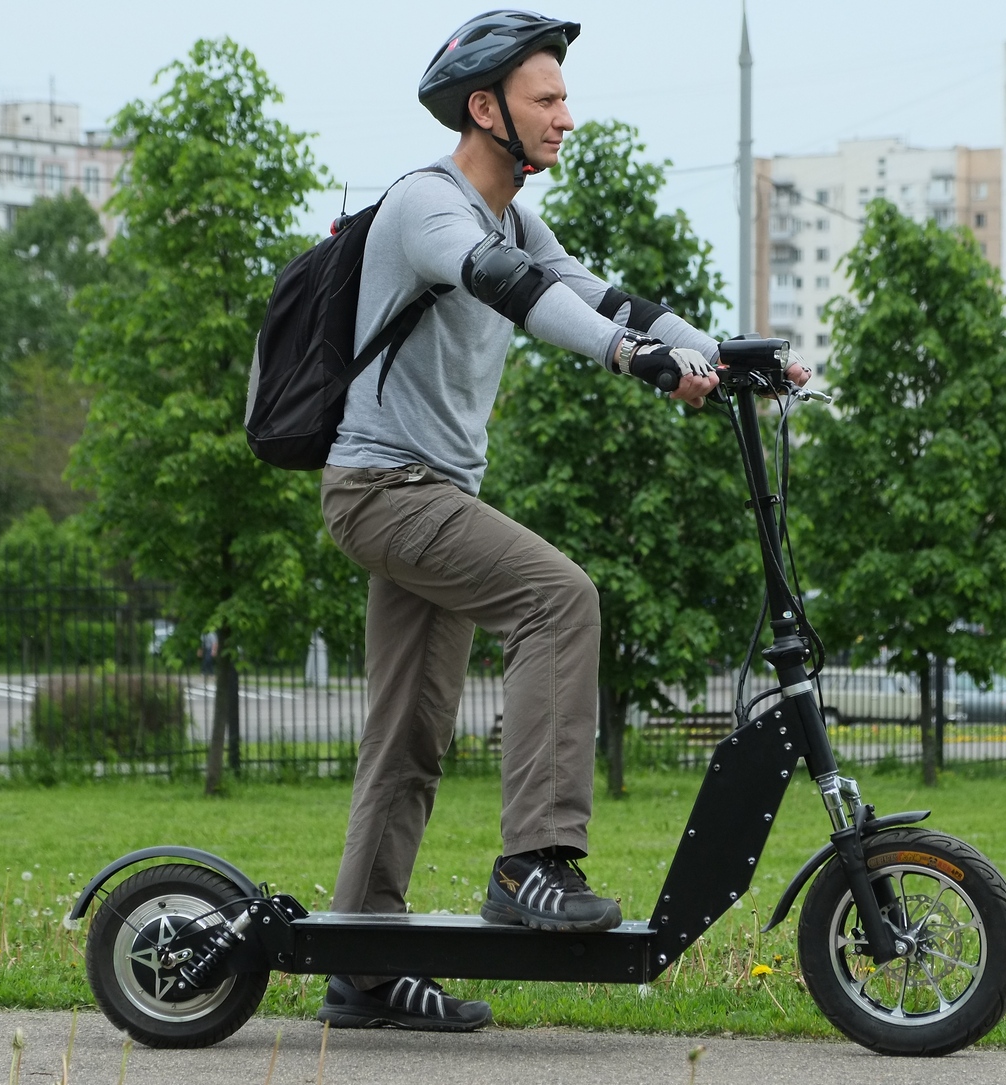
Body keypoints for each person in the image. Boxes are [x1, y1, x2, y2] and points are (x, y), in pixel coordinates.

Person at [317, 9, 808, 1032]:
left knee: (408, 735)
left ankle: (361, 959)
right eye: (547, 98)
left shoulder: (517, 219)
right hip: (384, 490)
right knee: (558, 597)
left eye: (565, 97)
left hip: (427, 496)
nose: (566, 118)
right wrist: (633, 362)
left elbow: (599, 294)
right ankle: (535, 861)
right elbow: (514, 290)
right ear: (485, 107)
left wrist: (726, 351)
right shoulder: (428, 205)